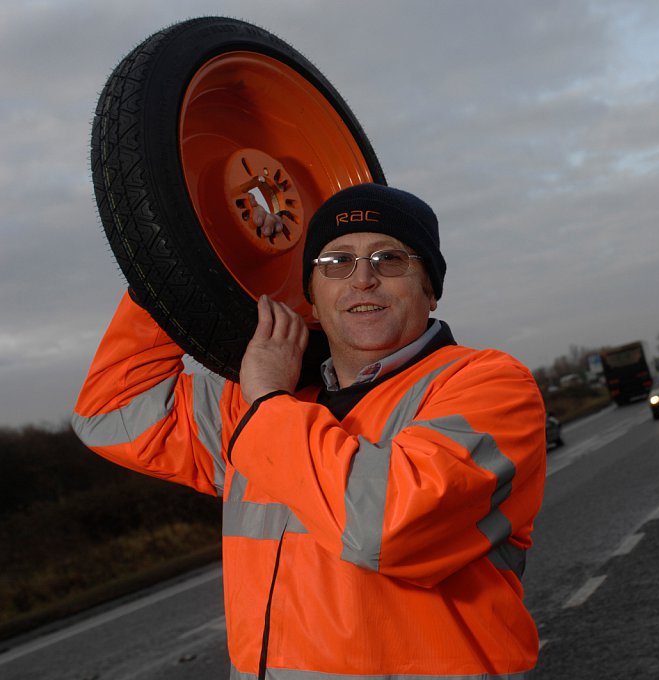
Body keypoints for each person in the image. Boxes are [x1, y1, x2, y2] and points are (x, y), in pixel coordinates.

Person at [72, 183, 548, 680]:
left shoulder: (488, 383)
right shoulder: (258, 401)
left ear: (429, 290)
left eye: (390, 259)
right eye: (335, 263)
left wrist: (270, 401)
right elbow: (110, 412)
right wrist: (177, 257)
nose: (362, 279)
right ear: (312, 303)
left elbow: (383, 530)